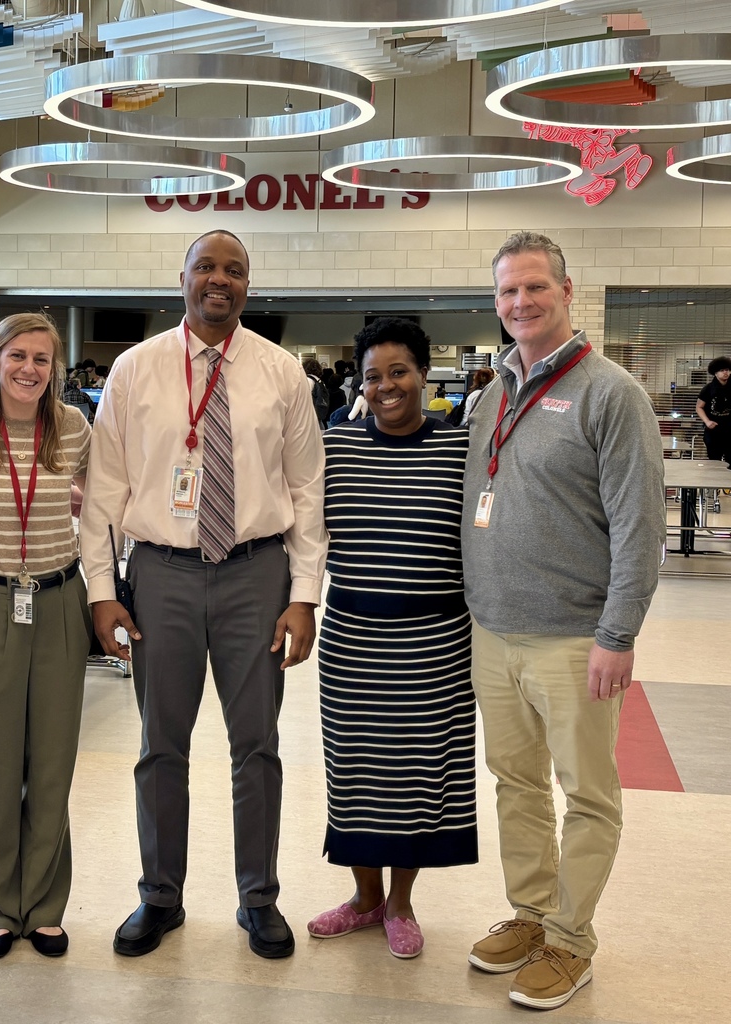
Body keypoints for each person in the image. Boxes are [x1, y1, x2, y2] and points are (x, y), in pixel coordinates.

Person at [81, 229, 326, 960]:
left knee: (257, 747)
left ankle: (259, 898)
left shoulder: (281, 372)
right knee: (161, 747)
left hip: (257, 572)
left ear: (248, 285)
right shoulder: (135, 369)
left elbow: (309, 492)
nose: (221, 281)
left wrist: (304, 594)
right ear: (182, 278)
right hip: (161, 575)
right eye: (207, 268)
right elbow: (102, 493)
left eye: (236, 271)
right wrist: (103, 591)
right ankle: (160, 895)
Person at [461, 231, 665, 1011]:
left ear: (568, 290)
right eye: (508, 291)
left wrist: (618, 634)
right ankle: (531, 913)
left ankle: (572, 940)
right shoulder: (493, 394)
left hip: (574, 637)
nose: (521, 303)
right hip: (493, 631)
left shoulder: (611, 393)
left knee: (587, 794)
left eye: (535, 287)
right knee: (515, 783)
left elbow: (638, 527)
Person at [307, 317, 476, 960]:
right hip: (353, 636)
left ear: (424, 375)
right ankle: (363, 898)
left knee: (421, 775)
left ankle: (401, 903)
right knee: (356, 773)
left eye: (399, 371)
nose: (385, 386)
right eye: (372, 375)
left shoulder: (457, 450)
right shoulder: (334, 447)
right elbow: (303, 533)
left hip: (435, 639)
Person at [0, 312, 92, 961]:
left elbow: (98, 504)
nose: (30, 369)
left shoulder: (72, 428)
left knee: (54, 765)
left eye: (42, 358)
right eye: (18, 356)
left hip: (60, 601)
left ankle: (45, 905)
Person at [695, 355, 731, 465]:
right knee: (714, 462)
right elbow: (699, 407)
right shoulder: (708, 389)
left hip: (729, 429)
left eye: (728, 370)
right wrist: (707, 421)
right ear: (715, 372)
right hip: (713, 431)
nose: (726, 372)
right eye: (722, 370)